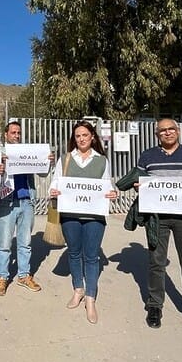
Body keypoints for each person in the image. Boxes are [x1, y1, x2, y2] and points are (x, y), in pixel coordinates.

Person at [136, 119, 182, 336]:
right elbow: (139, 180)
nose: (167, 133)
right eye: (162, 130)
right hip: (157, 218)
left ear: (177, 131)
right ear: (157, 134)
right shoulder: (147, 156)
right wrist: (138, 186)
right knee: (156, 263)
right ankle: (154, 306)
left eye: (171, 129)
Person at [49, 120, 117, 324]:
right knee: (74, 253)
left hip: (94, 218)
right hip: (70, 216)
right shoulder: (66, 159)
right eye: (77, 136)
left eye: (85, 135)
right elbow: (55, 181)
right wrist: (54, 190)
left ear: (92, 137)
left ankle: (90, 298)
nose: (81, 139)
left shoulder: (102, 161)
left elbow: (108, 185)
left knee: (91, 256)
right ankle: (78, 289)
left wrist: (114, 193)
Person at [0, 121, 53, 296]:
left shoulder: (28, 153)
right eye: (13, 133)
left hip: (27, 201)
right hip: (7, 202)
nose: (17, 136)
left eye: (19, 133)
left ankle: (24, 276)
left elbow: (42, 173)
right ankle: (2, 277)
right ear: (6, 135)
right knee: (4, 243)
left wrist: (47, 161)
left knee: (25, 243)